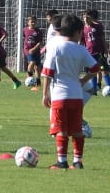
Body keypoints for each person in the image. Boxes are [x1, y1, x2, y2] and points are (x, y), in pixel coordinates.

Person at [41, 14, 100, 169]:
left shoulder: (56, 48)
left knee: (61, 129)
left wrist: (45, 94)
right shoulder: (81, 49)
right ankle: (78, 161)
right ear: (78, 32)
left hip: (59, 95)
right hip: (77, 96)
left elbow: (47, 72)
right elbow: (95, 68)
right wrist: (82, 80)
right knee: (77, 130)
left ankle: (62, 161)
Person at [81, 9, 110, 92]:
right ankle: (94, 90)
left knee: (104, 70)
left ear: (91, 18)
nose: (86, 19)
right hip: (89, 53)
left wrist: (105, 50)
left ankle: (109, 87)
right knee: (92, 72)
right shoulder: (83, 29)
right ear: (83, 18)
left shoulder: (97, 26)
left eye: (88, 17)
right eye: (84, 17)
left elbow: (103, 39)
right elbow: (82, 42)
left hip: (99, 53)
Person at [22, 14, 45, 86]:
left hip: (36, 50)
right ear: (28, 22)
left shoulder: (38, 31)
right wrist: (29, 48)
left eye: (34, 22)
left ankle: (38, 82)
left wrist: (34, 48)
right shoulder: (25, 30)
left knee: (37, 67)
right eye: (31, 22)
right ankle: (29, 78)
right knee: (32, 62)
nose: (33, 23)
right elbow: (24, 38)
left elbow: (40, 42)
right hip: (28, 50)